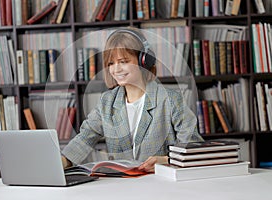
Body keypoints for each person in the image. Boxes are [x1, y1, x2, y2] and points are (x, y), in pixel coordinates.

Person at [61, 27, 203, 172]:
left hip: (162, 184)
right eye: (111, 64)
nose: (116, 70)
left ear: (143, 61)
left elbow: (193, 145)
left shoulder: (171, 100)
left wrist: (167, 161)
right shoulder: (107, 102)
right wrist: (62, 161)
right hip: (123, 185)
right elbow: (85, 138)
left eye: (123, 61)